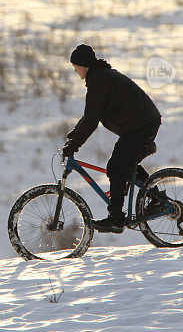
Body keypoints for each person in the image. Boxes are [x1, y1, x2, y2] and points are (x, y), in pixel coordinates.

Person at [62, 44, 161, 233]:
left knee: (116, 167)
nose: (75, 70)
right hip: (142, 124)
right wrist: (74, 135)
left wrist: (74, 145)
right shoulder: (100, 78)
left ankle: (116, 218)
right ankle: (156, 200)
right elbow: (92, 114)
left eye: (76, 66)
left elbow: (92, 119)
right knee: (124, 166)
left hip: (140, 125)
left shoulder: (99, 80)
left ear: (84, 65)